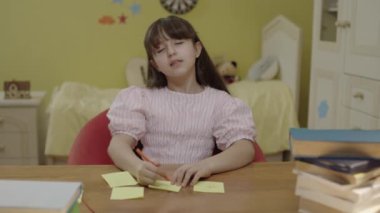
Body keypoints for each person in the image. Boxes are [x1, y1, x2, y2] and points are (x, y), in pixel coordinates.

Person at [107, 15, 256, 187]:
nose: (171, 52)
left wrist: (206, 165)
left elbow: (244, 148)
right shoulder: (141, 98)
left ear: (197, 49)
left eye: (178, 43)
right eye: (160, 50)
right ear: (155, 64)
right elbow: (117, 145)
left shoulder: (220, 102)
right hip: (154, 187)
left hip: (197, 189)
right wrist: (136, 167)